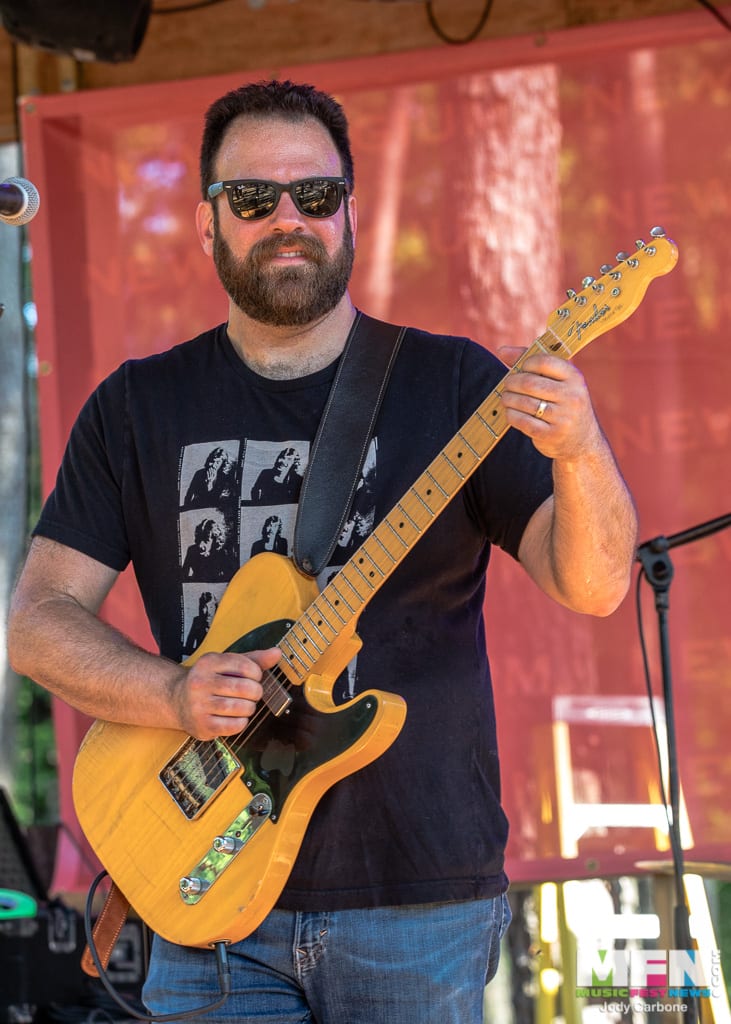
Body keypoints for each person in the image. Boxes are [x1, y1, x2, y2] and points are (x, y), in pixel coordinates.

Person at [8, 80, 638, 1023]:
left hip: (416, 901)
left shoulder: (453, 383)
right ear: (206, 223)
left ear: (349, 211)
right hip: (204, 891)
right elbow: (37, 622)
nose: (288, 219)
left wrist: (581, 448)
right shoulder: (137, 406)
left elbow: (593, 585)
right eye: (252, 198)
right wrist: (172, 694)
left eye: (315, 194)